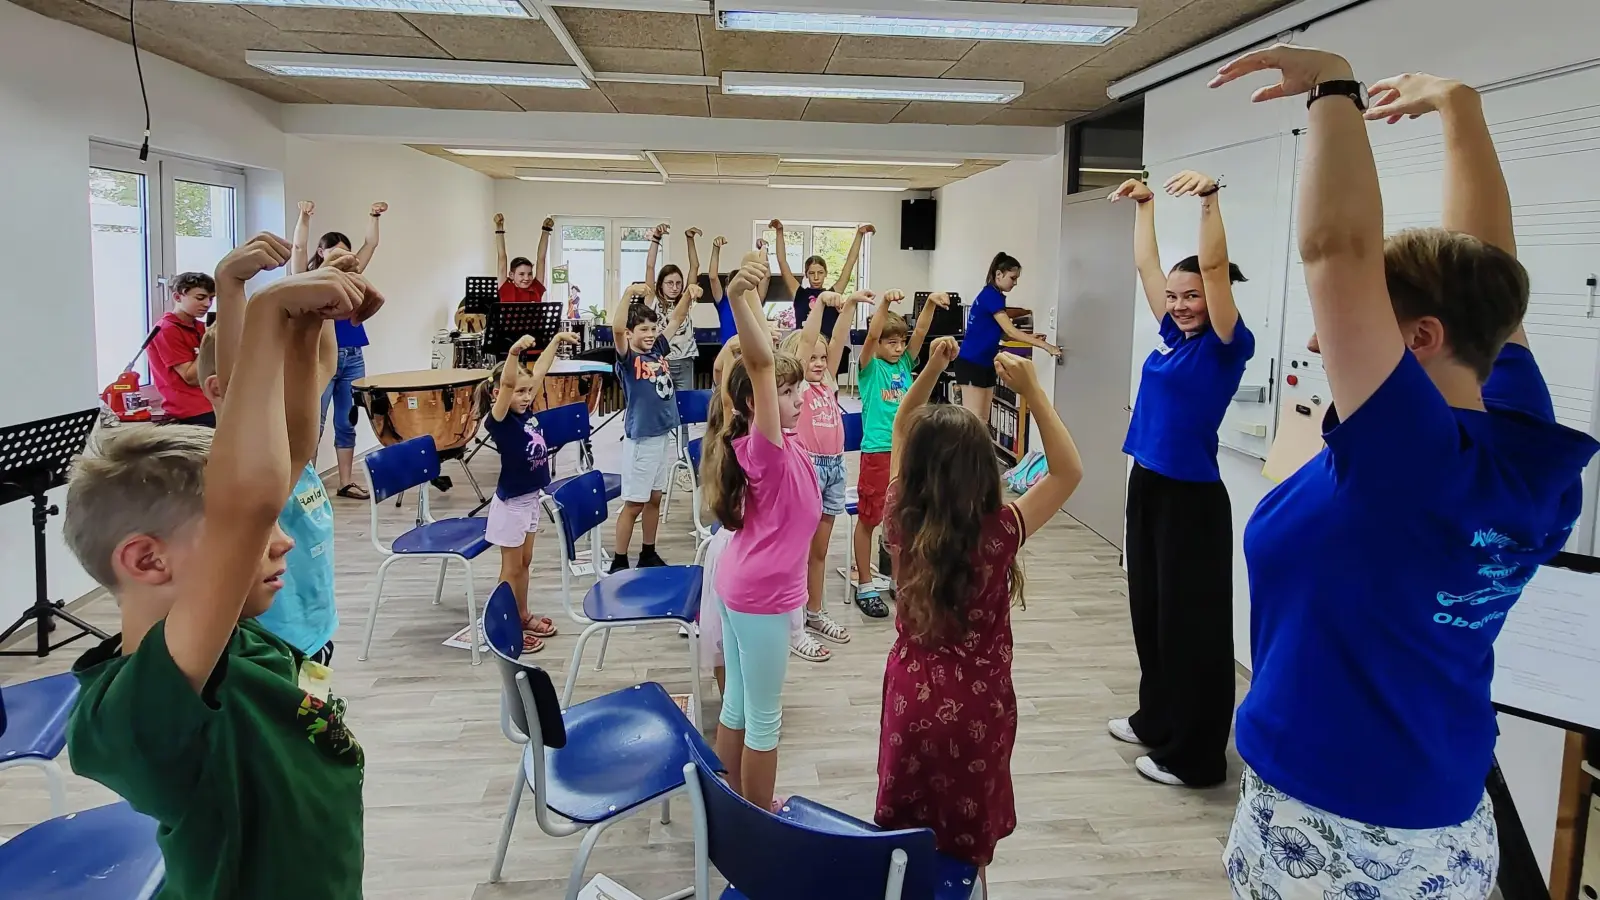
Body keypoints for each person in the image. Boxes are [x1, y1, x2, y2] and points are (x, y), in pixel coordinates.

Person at [1209, 48, 1599, 900]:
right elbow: (1486, 276)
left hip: (1338, 829)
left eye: (1361, 325)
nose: (1327, 339)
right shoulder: (1523, 441)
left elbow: (1335, 250)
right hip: (1442, 814)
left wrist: (1333, 89)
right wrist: (1461, 112)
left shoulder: (1410, 461)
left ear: (1419, 337)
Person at [63, 235, 382, 899]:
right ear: (147, 560)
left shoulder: (242, 638)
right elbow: (254, 498)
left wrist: (302, 327)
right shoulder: (137, 717)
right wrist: (262, 310)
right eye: (249, 532)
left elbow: (291, 447)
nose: (280, 540)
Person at [876, 338, 1082, 897]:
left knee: (904, 832)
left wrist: (934, 367)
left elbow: (900, 426)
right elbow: (1067, 472)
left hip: (912, 694)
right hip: (978, 703)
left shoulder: (901, 517)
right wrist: (1034, 393)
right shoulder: (1002, 531)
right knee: (965, 838)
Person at [1102, 169, 1255, 789]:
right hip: (1150, 484)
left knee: (1191, 624)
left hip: (1193, 497)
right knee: (1152, 610)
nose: (1180, 304)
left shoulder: (1225, 345)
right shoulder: (1171, 336)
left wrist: (1211, 202)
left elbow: (1215, 271)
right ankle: (1158, 717)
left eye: (1191, 296)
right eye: (1175, 296)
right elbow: (1147, 267)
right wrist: (1143, 206)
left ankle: (1195, 757)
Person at [705, 251, 819, 814]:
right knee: (763, 719)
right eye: (789, 396)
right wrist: (733, 298)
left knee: (739, 708)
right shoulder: (768, 449)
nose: (800, 400)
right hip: (758, 597)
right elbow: (762, 367)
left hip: (743, 585)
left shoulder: (780, 443)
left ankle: (730, 803)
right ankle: (758, 818)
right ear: (757, 405)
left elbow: (779, 358)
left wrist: (752, 296)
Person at [196, 310, 339, 667]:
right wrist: (233, 287)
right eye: (275, 379)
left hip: (316, 629)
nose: (296, 390)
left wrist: (325, 304)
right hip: (273, 643)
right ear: (219, 388)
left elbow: (324, 361)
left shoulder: (289, 447)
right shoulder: (241, 470)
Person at [778, 289, 872, 661]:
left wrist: (848, 306)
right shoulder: (797, 384)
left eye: (822, 358)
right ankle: (794, 625)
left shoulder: (829, 380)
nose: (818, 362)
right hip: (809, 467)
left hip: (835, 468)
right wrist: (818, 305)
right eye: (812, 358)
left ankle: (814, 612)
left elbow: (837, 339)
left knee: (819, 551)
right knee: (799, 551)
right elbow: (809, 340)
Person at [476, 332, 579, 653]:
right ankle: (503, 628)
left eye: (527, 391)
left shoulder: (525, 412)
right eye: (519, 392)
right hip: (511, 505)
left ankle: (521, 615)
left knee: (526, 562)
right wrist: (512, 352)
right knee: (511, 569)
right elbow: (508, 385)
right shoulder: (500, 419)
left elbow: (541, 370)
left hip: (531, 498)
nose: (525, 396)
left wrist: (558, 339)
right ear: (498, 394)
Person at [292, 198, 387, 500]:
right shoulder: (308, 279)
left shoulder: (350, 277)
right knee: (313, 425)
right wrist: (304, 218)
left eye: (346, 254)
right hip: (320, 360)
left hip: (353, 357)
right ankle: (307, 488)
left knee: (346, 422)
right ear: (321, 253)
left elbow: (370, 245)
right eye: (335, 253)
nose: (343, 258)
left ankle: (345, 481)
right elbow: (297, 251)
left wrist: (373, 215)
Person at [852, 290, 936, 617]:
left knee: (905, 519)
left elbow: (922, 333)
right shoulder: (870, 368)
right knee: (870, 518)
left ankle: (897, 579)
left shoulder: (904, 362)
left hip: (909, 452)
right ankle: (865, 583)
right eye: (892, 343)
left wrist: (930, 303)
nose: (898, 348)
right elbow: (873, 333)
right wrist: (884, 304)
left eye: (901, 342)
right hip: (878, 452)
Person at [609, 279, 699, 572]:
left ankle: (648, 552)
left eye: (652, 328)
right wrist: (626, 294)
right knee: (635, 503)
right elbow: (616, 329)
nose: (650, 334)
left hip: (662, 435)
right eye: (643, 330)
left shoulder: (658, 349)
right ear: (631, 333)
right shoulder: (627, 357)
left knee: (655, 499)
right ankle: (619, 561)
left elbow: (677, 318)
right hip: (642, 438)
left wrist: (689, 294)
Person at [952, 253, 1062, 424]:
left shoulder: (996, 296)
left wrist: (1029, 337)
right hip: (971, 363)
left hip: (985, 363)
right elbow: (1011, 331)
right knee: (973, 421)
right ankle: (965, 451)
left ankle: (980, 451)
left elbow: (999, 332)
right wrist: (1046, 346)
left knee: (982, 420)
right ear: (998, 274)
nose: (1015, 283)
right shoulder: (990, 296)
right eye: (1013, 278)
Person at [771, 220, 871, 337]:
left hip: (826, 348)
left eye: (820, 272)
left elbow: (850, 263)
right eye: (812, 273)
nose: (816, 277)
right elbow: (782, 263)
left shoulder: (833, 294)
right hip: (802, 345)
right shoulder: (800, 294)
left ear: (826, 273)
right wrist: (779, 232)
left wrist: (859, 234)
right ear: (806, 274)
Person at [148, 271, 217, 427]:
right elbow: (191, 377)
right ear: (178, 297)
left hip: (212, 402)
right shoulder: (167, 330)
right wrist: (210, 341)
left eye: (211, 299)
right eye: (200, 298)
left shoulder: (201, 327)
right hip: (192, 411)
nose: (207, 304)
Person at [494, 212, 553, 303]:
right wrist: (499, 227)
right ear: (511, 275)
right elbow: (502, 257)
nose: (526, 278)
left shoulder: (536, 288)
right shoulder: (506, 288)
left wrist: (546, 230)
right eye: (521, 274)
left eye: (529, 274)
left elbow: (541, 259)